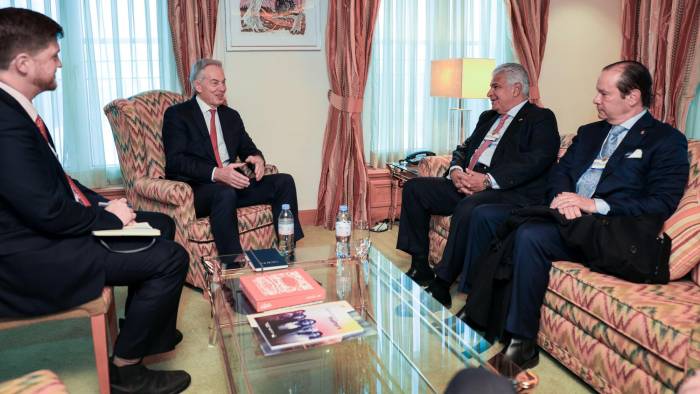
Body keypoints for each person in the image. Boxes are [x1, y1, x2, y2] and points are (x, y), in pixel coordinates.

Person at [0, 8, 191, 394]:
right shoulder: (4, 122)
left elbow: (58, 180)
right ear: (22, 63)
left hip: (39, 232)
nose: (60, 63)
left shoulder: (14, 110)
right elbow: (47, 211)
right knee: (171, 259)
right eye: (53, 56)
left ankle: (147, 334)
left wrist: (106, 205)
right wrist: (109, 221)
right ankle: (127, 371)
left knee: (163, 224)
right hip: (27, 255)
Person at [457, 61, 689, 369]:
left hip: (614, 230)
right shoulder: (590, 133)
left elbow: (661, 202)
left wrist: (594, 205)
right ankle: (483, 314)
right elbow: (560, 173)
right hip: (570, 218)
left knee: (528, 233)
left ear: (632, 97)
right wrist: (565, 200)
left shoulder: (665, 140)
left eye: (603, 93)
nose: (595, 99)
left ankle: (520, 340)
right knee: (512, 222)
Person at [396, 63, 560, 306]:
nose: (489, 93)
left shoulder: (540, 118)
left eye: (495, 86)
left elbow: (537, 159)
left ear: (516, 89)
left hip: (503, 190)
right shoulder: (488, 117)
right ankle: (420, 265)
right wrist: (455, 171)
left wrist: (487, 181)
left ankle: (442, 282)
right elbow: (463, 148)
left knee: (470, 207)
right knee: (415, 188)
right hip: (466, 182)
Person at [162, 59, 303, 256]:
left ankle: (288, 251)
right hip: (200, 190)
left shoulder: (231, 116)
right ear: (198, 85)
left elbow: (248, 148)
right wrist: (217, 174)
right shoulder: (177, 115)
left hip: (235, 185)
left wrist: (257, 158)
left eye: (223, 82)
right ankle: (233, 267)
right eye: (215, 83)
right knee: (224, 193)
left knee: (284, 181)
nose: (222, 88)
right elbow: (176, 161)